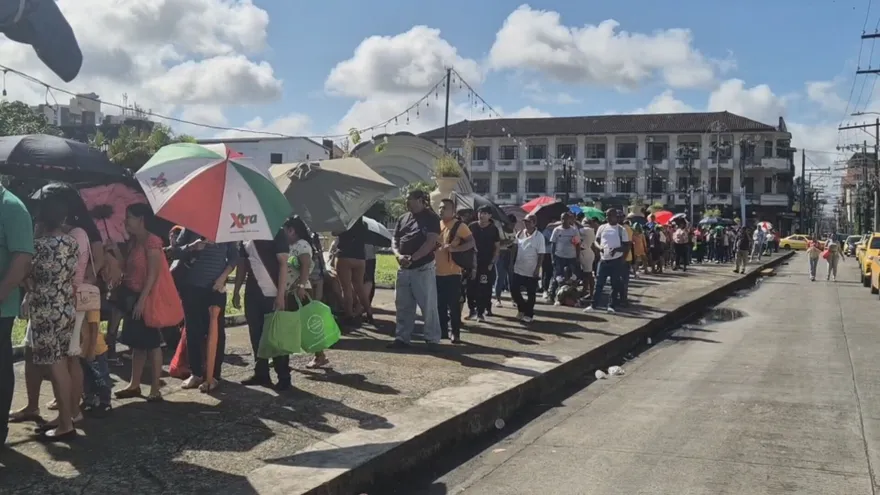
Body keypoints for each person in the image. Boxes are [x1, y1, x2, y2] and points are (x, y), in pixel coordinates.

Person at [24, 196, 79, 441]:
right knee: (64, 364)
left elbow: (27, 275)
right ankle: (66, 417)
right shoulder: (71, 242)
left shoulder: (38, 246)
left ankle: (66, 424)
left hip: (45, 311)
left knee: (55, 368)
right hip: (65, 307)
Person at [169, 229, 238, 392]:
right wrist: (192, 247)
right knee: (193, 330)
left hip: (216, 288)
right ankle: (196, 373)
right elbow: (175, 252)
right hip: (191, 287)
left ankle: (213, 375)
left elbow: (234, 257)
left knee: (216, 333)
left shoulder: (226, 229)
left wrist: (222, 279)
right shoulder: (190, 227)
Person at [114, 204, 166, 402]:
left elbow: (154, 274)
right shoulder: (135, 242)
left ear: (141, 219)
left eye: (130, 217)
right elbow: (127, 268)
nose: (126, 221)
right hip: (133, 296)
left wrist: (143, 300)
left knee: (152, 344)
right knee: (137, 345)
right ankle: (134, 384)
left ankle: (155, 387)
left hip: (146, 298)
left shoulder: (152, 242)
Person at [233, 227, 290, 390]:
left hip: (272, 290)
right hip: (252, 291)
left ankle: (284, 376)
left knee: (275, 336)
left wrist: (280, 295)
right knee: (255, 333)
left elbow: (283, 264)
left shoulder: (277, 231)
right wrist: (236, 290)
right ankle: (261, 373)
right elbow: (242, 265)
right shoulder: (245, 233)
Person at [390, 190, 441, 349]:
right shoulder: (403, 218)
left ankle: (432, 339)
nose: (407, 202)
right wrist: (398, 255)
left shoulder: (431, 218)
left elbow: (430, 242)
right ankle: (402, 337)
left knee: (428, 305)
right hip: (404, 268)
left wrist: (413, 258)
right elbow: (395, 239)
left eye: (410, 199)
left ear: (420, 200)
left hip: (422, 268)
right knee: (403, 305)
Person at [435, 199, 474, 343]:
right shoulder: (437, 225)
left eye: (444, 208)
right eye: (439, 207)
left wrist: (454, 248)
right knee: (440, 304)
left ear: (452, 211)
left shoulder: (460, 226)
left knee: (454, 305)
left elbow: (471, 242)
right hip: (436, 272)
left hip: (453, 273)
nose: (441, 210)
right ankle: (442, 331)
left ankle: (455, 332)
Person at [585, 209, 629, 314]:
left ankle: (611, 306)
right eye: (607, 215)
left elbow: (626, 245)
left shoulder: (621, 230)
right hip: (603, 259)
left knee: (614, 284)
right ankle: (593, 305)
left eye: (611, 215)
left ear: (616, 216)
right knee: (599, 283)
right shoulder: (602, 227)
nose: (609, 217)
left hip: (616, 260)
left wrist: (617, 250)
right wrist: (599, 247)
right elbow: (596, 241)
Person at [334, 217, 374, 325]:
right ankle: (369, 312)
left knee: (346, 288)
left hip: (345, 256)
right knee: (359, 287)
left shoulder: (344, 220)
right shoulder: (363, 224)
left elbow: (334, 232)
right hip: (360, 257)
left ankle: (349, 315)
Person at [467, 205, 500, 321]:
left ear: (490, 216)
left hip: (486, 264)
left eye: (485, 213)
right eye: (480, 212)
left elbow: (497, 247)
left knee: (483, 288)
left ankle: (481, 312)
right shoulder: (471, 226)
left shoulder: (493, 229)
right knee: (470, 288)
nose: (482, 215)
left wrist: (492, 263)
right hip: (471, 263)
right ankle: (472, 310)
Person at [511, 214, 545, 323]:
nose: (526, 223)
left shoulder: (539, 236)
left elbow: (541, 254)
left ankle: (529, 313)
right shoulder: (520, 233)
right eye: (525, 221)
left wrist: (537, 269)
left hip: (531, 270)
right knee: (514, 290)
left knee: (531, 293)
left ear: (534, 223)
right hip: (518, 268)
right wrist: (511, 263)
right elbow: (515, 248)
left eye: (528, 221)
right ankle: (522, 309)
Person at [548, 212, 580, 305]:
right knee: (557, 278)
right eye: (562, 219)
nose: (564, 221)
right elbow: (553, 245)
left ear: (569, 219)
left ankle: (575, 299)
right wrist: (552, 258)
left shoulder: (574, 230)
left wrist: (578, 257)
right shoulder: (557, 230)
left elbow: (578, 244)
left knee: (573, 278)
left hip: (571, 257)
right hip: (559, 257)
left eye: (566, 219)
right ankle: (554, 297)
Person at [578, 218, 597, 299]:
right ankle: (585, 290)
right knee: (585, 274)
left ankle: (592, 292)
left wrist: (575, 221)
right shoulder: (584, 230)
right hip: (581, 252)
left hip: (586, 252)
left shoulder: (589, 230)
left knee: (589, 274)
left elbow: (579, 228)